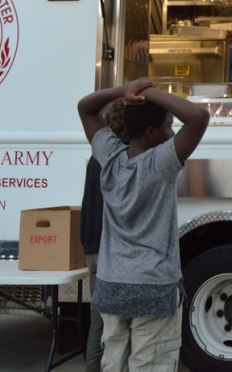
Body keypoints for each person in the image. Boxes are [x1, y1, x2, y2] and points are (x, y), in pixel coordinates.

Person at [77, 79, 209, 371]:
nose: (172, 132)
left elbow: (85, 109)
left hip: (112, 285)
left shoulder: (109, 157)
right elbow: (199, 117)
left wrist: (124, 91)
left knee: (114, 362)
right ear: (152, 134)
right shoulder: (159, 164)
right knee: (150, 364)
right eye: (168, 126)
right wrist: (148, 92)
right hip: (153, 285)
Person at [79, 98, 127, 372]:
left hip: (92, 245)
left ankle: (91, 368)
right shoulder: (124, 154)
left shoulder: (95, 155)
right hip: (110, 247)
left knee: (99, 322)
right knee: (115, 325)